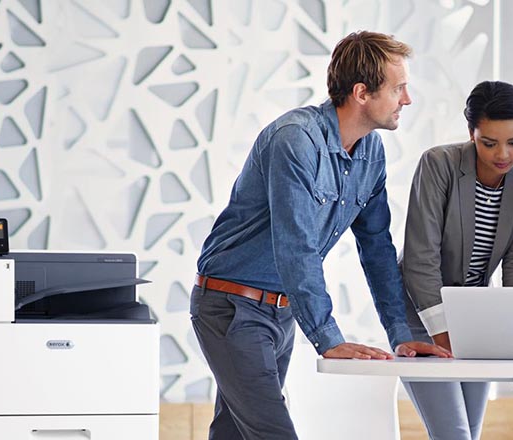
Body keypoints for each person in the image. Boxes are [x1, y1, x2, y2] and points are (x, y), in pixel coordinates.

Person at [190, 31, 449, 440]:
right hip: (232, 307)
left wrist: (401, 335)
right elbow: (297, 245)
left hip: (283, 312)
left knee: (235, 434)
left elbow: (378, 249)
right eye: (399, 88)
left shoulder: (371, 152)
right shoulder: (295, 140)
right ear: (362, 92)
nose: (407, 99)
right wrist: (328, 337)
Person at [399, 81, 513, 440]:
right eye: (489, 142)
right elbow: (420, 257)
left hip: (475, 313)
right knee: (454, 434)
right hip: (419, 311)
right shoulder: (439, 164)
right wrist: (443, 334)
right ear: (471, 133)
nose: (503, 155)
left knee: (470, 433)